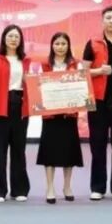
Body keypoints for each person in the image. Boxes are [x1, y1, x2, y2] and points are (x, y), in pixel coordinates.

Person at [82, 5, 112, 201]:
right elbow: (83, 72)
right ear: (102, 21)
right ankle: (98, 187)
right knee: (97, 146)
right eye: (108, 18)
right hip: (97, 102)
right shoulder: (92, 43)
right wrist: (99, 71)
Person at [0, 24, 33, 202]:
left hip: (20, 104)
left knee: (19, 148)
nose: (13, 39)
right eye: (10, 36)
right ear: (4, 39)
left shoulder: (26, 61)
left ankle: (19, 189)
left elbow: (31, 83)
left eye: (16, 36)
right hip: (1, 106)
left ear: (20, 40)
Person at [37, 32, 84, 204]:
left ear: (68, 45)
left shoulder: (76, 64)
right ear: (52, 45)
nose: (60, 47)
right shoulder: (44, 65)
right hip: (50, 115)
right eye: (57, 43)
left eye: (63, 43)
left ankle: (67, 186)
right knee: (49, 151)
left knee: (68, 151)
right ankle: (50, 187)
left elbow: (82, 87)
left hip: (68, 115)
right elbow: (38, 87)